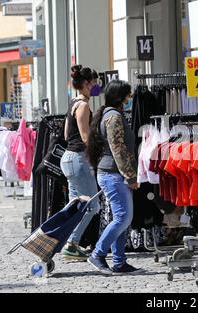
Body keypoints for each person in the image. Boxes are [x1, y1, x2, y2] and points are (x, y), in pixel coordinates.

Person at [86, 80, 143, 275]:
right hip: (114, 174)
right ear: (120, 97)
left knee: (123, 219)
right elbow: (117, 148)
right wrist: (130, 176)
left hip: (113, 173)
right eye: (128, 95)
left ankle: (119, 262)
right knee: (122, 218)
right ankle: (98, 254)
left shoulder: (111, 115)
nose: (129, 99)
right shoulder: (114, 117)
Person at [60, 65, 101, 261]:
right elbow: (85, 138)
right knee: (93, 206)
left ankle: (66, 242)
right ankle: (72, 243)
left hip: (68, 158)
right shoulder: (83, 106)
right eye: (94, 83)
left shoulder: (73, 103)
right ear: (86, 83)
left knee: (74, 206)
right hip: (78, 158)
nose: (97, 86)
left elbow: (67, 134)